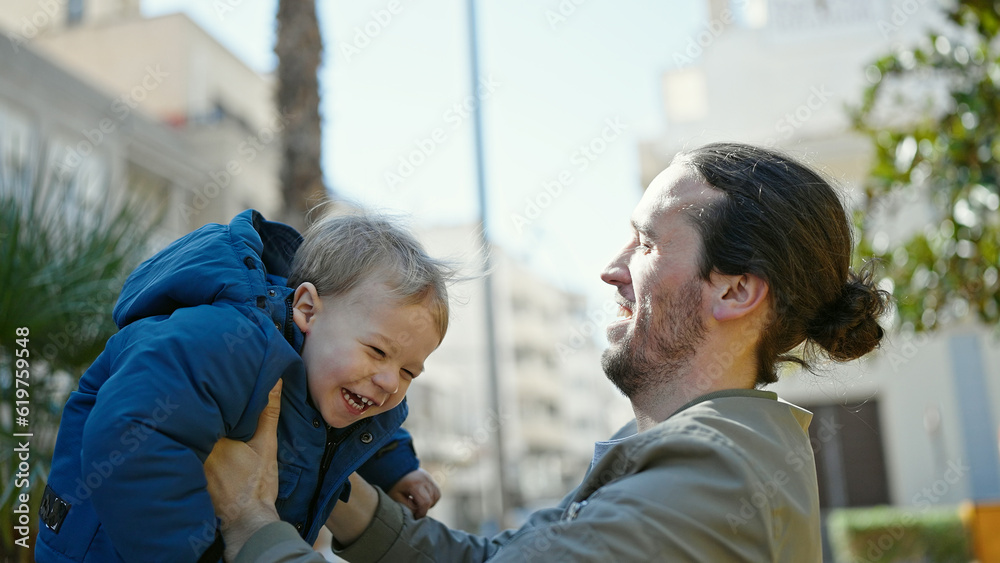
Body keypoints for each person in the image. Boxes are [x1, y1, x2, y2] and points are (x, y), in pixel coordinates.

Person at [205, 143, 891, 562]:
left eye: (647, 244)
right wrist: (336, 483)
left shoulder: (715, 482)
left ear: (737, 290)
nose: (611, 268)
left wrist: (252, 523)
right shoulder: (697, 457)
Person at [36, 210, 454, 563]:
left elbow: (366, 431)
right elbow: (131, 432)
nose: (388, 383)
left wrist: (397, 468)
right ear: (307, 310)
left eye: (408, 372)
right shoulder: (228, 343)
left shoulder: (339, 384)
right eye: (378, 351)